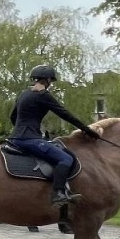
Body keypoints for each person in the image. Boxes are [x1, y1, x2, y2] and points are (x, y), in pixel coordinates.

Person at [7, 65, 102, 205]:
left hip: (15, 138)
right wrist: (87, 130)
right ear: (48, 80)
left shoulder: (23, 94)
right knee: (66, 159)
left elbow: (13, 117)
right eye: (50, 80)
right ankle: (58, 193)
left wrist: (21, 130)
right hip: (30, 139)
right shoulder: (43, 95)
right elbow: (64, 114)